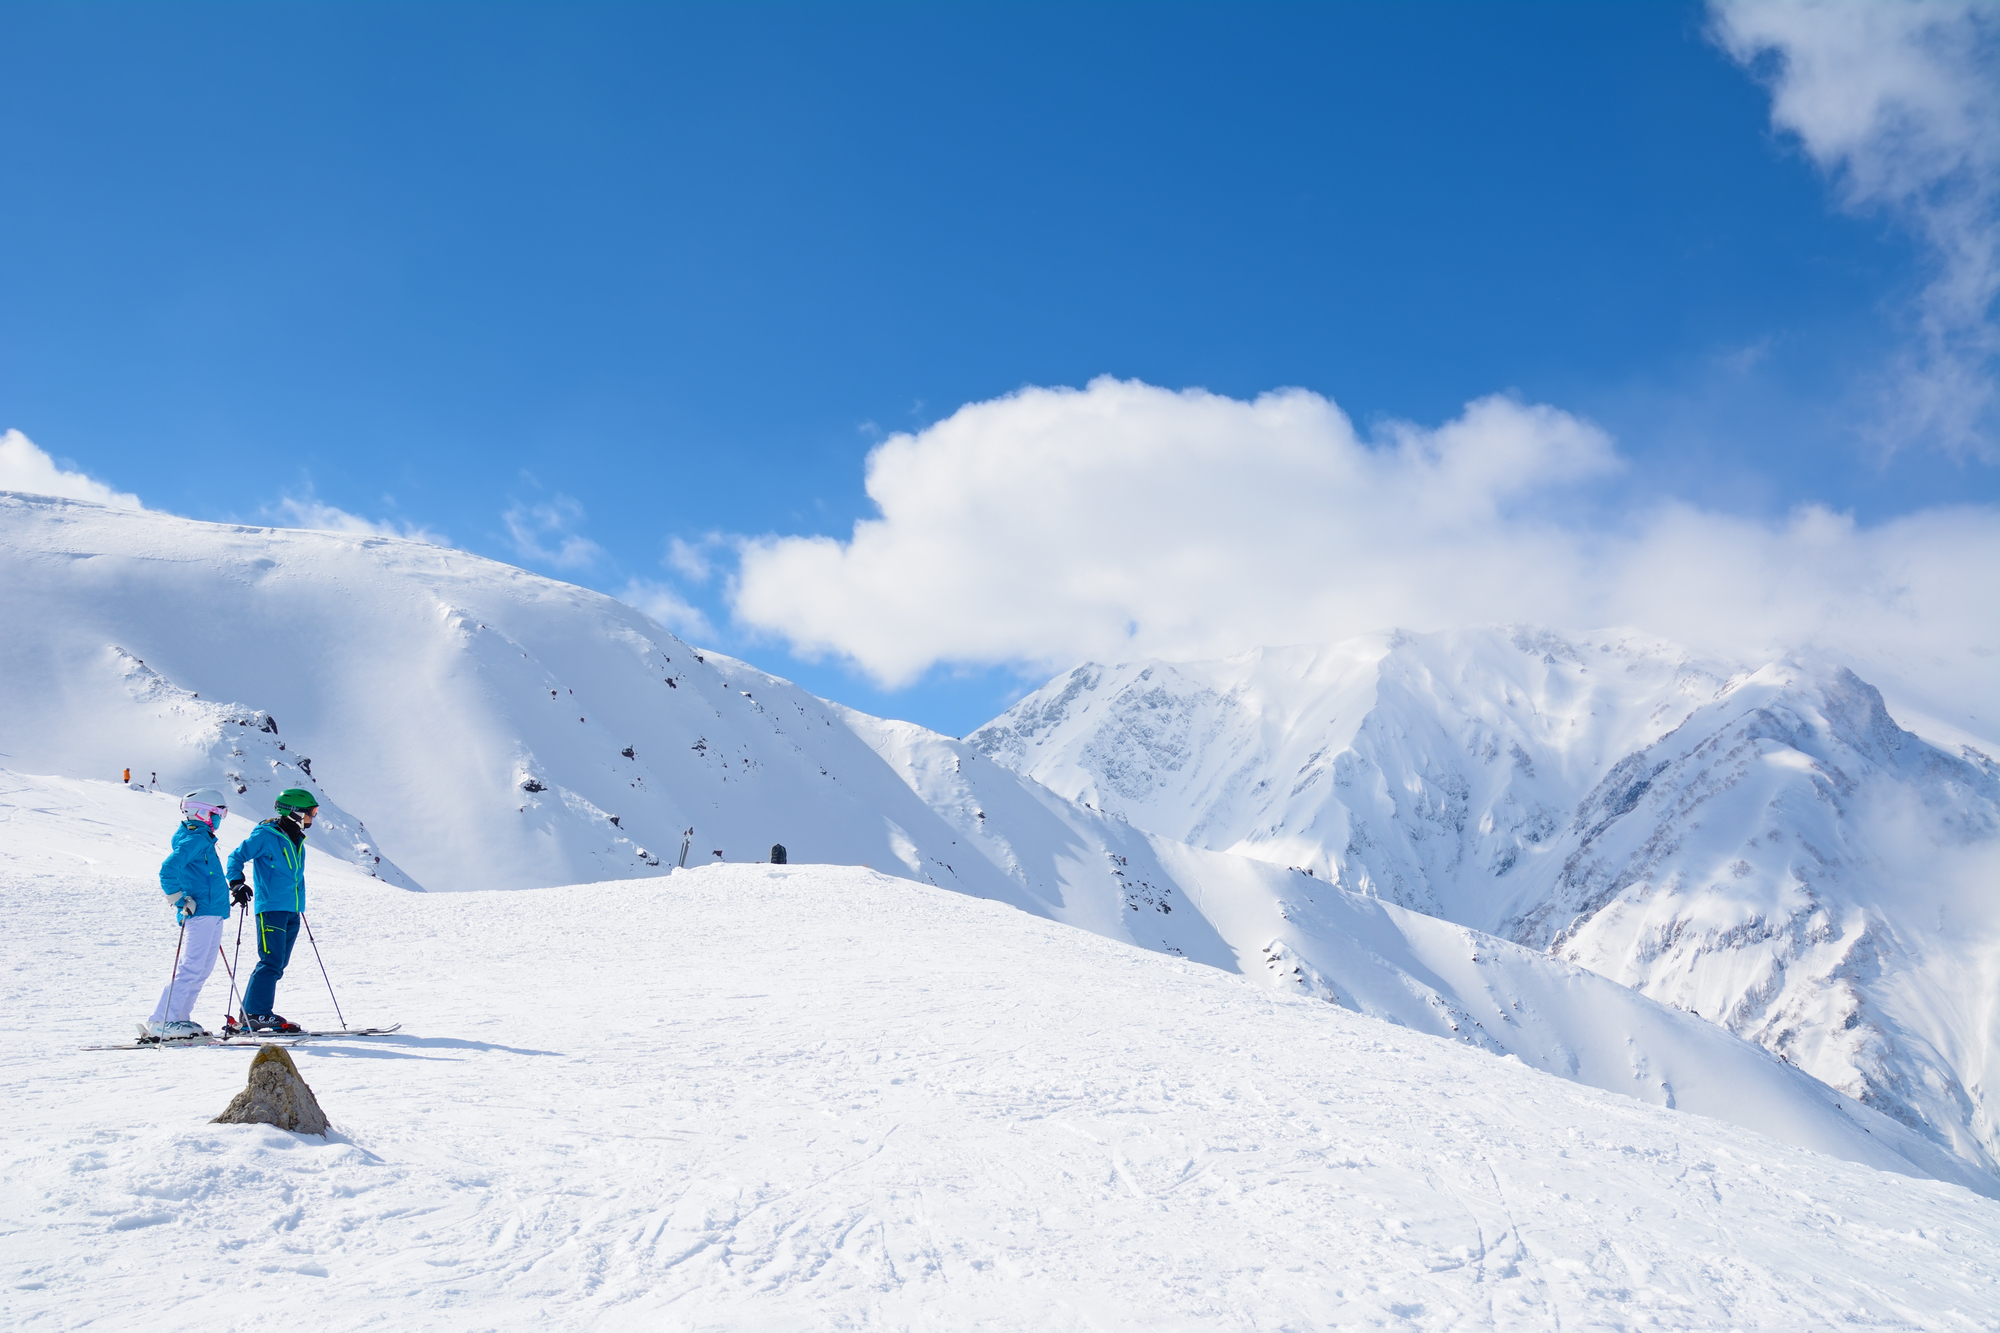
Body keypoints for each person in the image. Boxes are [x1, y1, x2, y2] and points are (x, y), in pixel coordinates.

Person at [226, 787, 319, 1034]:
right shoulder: (265, 836)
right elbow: (235, 857)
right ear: (294, 812)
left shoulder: (297, 839)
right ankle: (256, 1014)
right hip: (271, 909)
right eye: (311, 812)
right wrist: (236, 883)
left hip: (292, 910)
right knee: (270, 961)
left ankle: (251, 1014)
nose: (313, 817)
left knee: (278, 964)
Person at [148, 788, 232, 1037]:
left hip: (213, 910)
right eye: (218, 813)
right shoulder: (195, 838)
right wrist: (179, 900)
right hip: (202, 911)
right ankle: (163, 1019)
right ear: (202, 812)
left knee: (202, 968)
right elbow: (167, 869)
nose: (220, 819)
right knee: (192, 967)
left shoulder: (203, 838)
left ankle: (179, 1019)